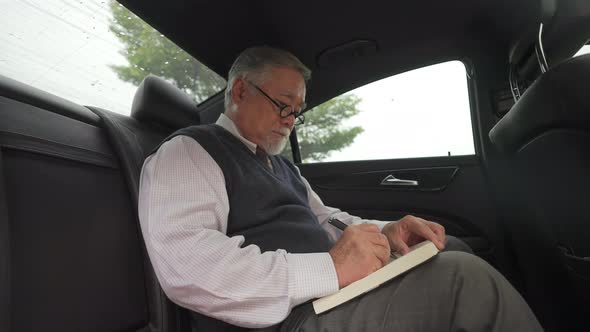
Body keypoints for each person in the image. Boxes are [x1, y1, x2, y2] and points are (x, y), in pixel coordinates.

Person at [138, 46, 542, 331]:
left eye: (296, 111)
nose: (290, 119)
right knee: (467, 283)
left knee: (450, 247)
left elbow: (326, 219)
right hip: (286, 319)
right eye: (283, 104)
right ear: (241, 90)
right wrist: (330, 268)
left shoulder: (282, 167)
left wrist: (385, 230)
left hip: (328, 298)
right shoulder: (189, 152)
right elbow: (190, 267)